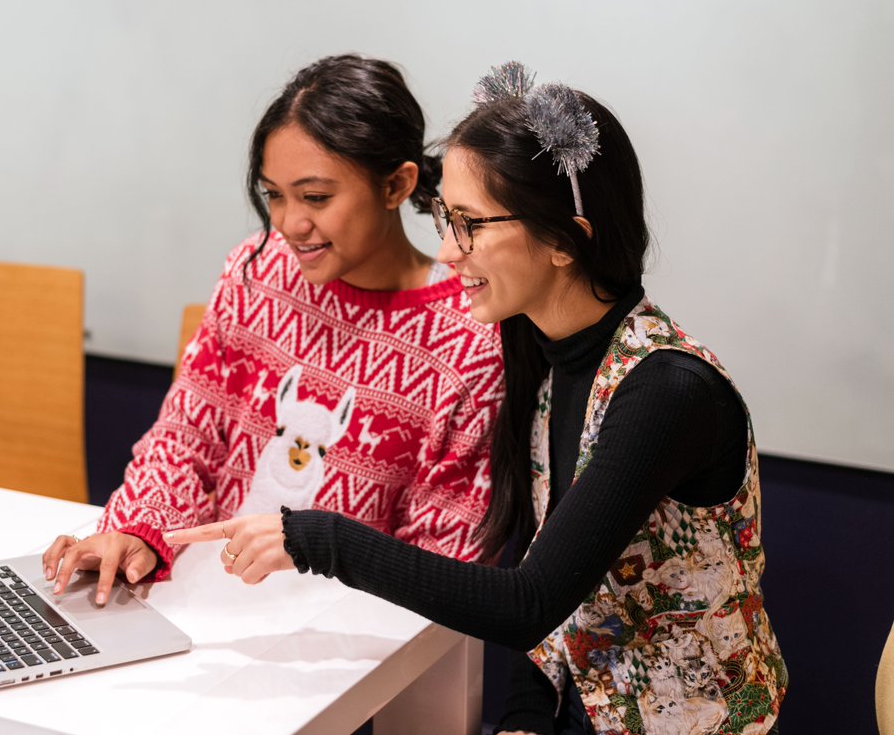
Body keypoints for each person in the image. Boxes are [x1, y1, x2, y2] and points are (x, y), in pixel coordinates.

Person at [166, 62, 787, 734]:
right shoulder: (536, 353)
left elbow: (528, 600)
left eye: (469, 224)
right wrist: (525, 714)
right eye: (445, 217)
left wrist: (313, 535)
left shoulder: (666, 390)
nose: (447, 250)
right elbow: (559, 604)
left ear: (564, 239)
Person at [44, 54, 504, 608]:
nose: (289, 223)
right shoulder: (254, 274)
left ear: (396, 185)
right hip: (211, 602)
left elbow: (444, 558)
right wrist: (136, 529)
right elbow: (186, 436)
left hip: (351, 642)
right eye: (274, 195)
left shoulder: (471, 336)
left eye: (315, 197)